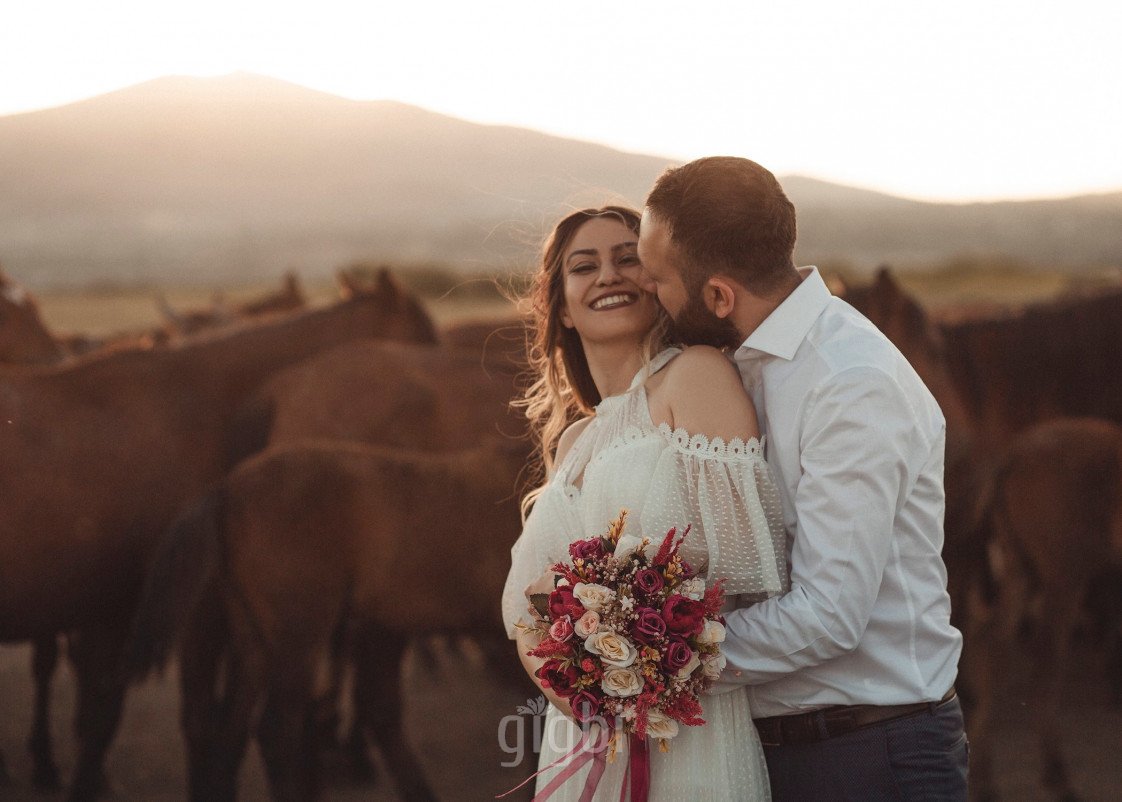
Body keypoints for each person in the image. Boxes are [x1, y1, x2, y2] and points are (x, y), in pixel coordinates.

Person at [635, 156, 967, 801]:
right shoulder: (741, 366)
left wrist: (655, 652)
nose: (650, 293)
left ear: (719, 295)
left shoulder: (847, 381)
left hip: (870, 755)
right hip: (778, 749)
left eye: (658, 279)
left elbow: (830, 615)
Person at [501, 205, 789, 800]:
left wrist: (646, 669)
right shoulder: (574, 443)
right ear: (560, 307)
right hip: (582, 740)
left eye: (627, 259)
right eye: (584, 266)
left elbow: (752, 575)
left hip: (689, 731)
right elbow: (530, 614)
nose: (608, 275)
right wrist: (589, 692)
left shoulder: (697, 376)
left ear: (657, 282)